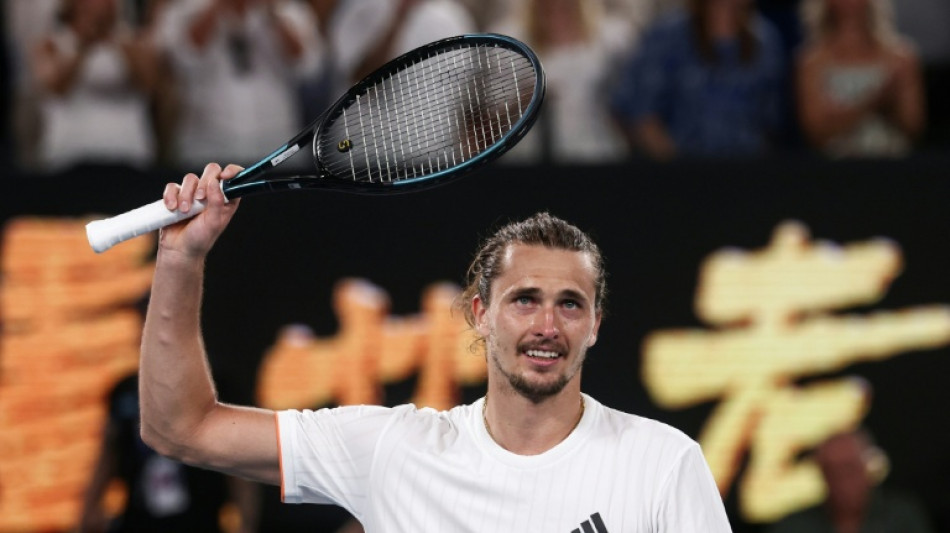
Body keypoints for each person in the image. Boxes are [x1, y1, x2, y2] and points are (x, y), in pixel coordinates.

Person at [138, 163, 732, 532]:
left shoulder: (661, 464)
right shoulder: (394, 453)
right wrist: (180, 259)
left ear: (596, 323)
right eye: (524, 299)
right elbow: (180, 426)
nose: (548, 324)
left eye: (570, 304)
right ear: (480, 315)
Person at [78, 373, 260, 533]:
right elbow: (108, 457)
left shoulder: (216, 387)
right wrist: (89, 509)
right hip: (140, 517)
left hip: (198, 517)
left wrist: (246, 521)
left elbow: (235, 462)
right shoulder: (125, 392)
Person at [154, 0, 322, 170]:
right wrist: (218, 7)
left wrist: (272, 14)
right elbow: (181, 61)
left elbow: (308, 67)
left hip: (275, 145)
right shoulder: (186, 9)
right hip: (207, 146)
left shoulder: (290, 10)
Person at [610, 0, 786, 159]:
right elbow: (639, 111)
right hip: (680, 176)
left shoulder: (766, 39)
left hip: (746, 175)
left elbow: (769, 120)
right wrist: (675, 167)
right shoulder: (667, 37)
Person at [489, 0, 632, 164]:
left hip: (596, 153)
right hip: (528, 159)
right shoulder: (507, 41)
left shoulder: (613, 37)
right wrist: (527, 98)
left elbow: (628, 103)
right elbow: (490, 121)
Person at [31, 0, 159, 171]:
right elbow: (55, 87)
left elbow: (150, 84)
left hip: (128, 155)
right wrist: (84, 45)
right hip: (66, 158)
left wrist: (111, 38)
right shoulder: (51, 43)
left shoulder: (133, 43)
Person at [795, 0, 925, 157]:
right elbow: (815, 131)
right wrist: (874, 102)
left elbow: (913, 126)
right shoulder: (811, 61)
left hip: (893, 164)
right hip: (836, 169)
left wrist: (893, 102)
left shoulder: (902, 57)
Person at [766, 429, 934, 533]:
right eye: (832, 471)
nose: (842, 481)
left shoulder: (901, 517)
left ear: (867, 468)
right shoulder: (794, 526)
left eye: (848, 468)